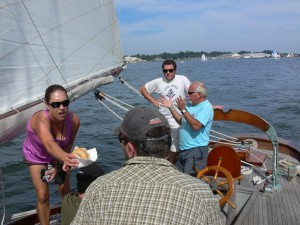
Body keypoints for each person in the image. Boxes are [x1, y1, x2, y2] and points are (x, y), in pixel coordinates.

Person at [71, 107, 221, 225]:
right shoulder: (200, 193)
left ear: (130, 149)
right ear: (168, 146)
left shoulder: (98, 188)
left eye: (121, 139)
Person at [140, 59, 223, 164]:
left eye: (170, 70)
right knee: (161, 143)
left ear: (175, 70)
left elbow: (196, 93)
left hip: (178, 117)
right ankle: (163, 162)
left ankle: (171, 164)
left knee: (175, 144)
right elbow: (142, 89)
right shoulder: (158, 82)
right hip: (162, 118)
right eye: (165, 71)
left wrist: (210, 106)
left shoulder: (182, 79)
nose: (168, 73)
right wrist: (154, 101)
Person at [23, 84, 80, 225]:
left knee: (65, 191)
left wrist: (59, 164)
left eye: (65, 103)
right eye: (55, 104)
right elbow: (48, 143)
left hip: (60, 154)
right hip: (37, 157)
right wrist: (67, 159)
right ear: (47, 104)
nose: (61, 108)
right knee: (43, 195)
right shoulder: (40, 119)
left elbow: (67, 145)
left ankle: (71, 221)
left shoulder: (74, 121)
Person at [160, 81, 213, 176]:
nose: (187, 95)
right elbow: (181, 121)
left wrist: (183, 110)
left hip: (196, 151)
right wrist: (171, 108)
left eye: (190, 93)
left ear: (199, 94)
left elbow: (196, 126)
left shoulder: (206, 107)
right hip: (183, 150)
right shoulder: (189, 106)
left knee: (193, 181)